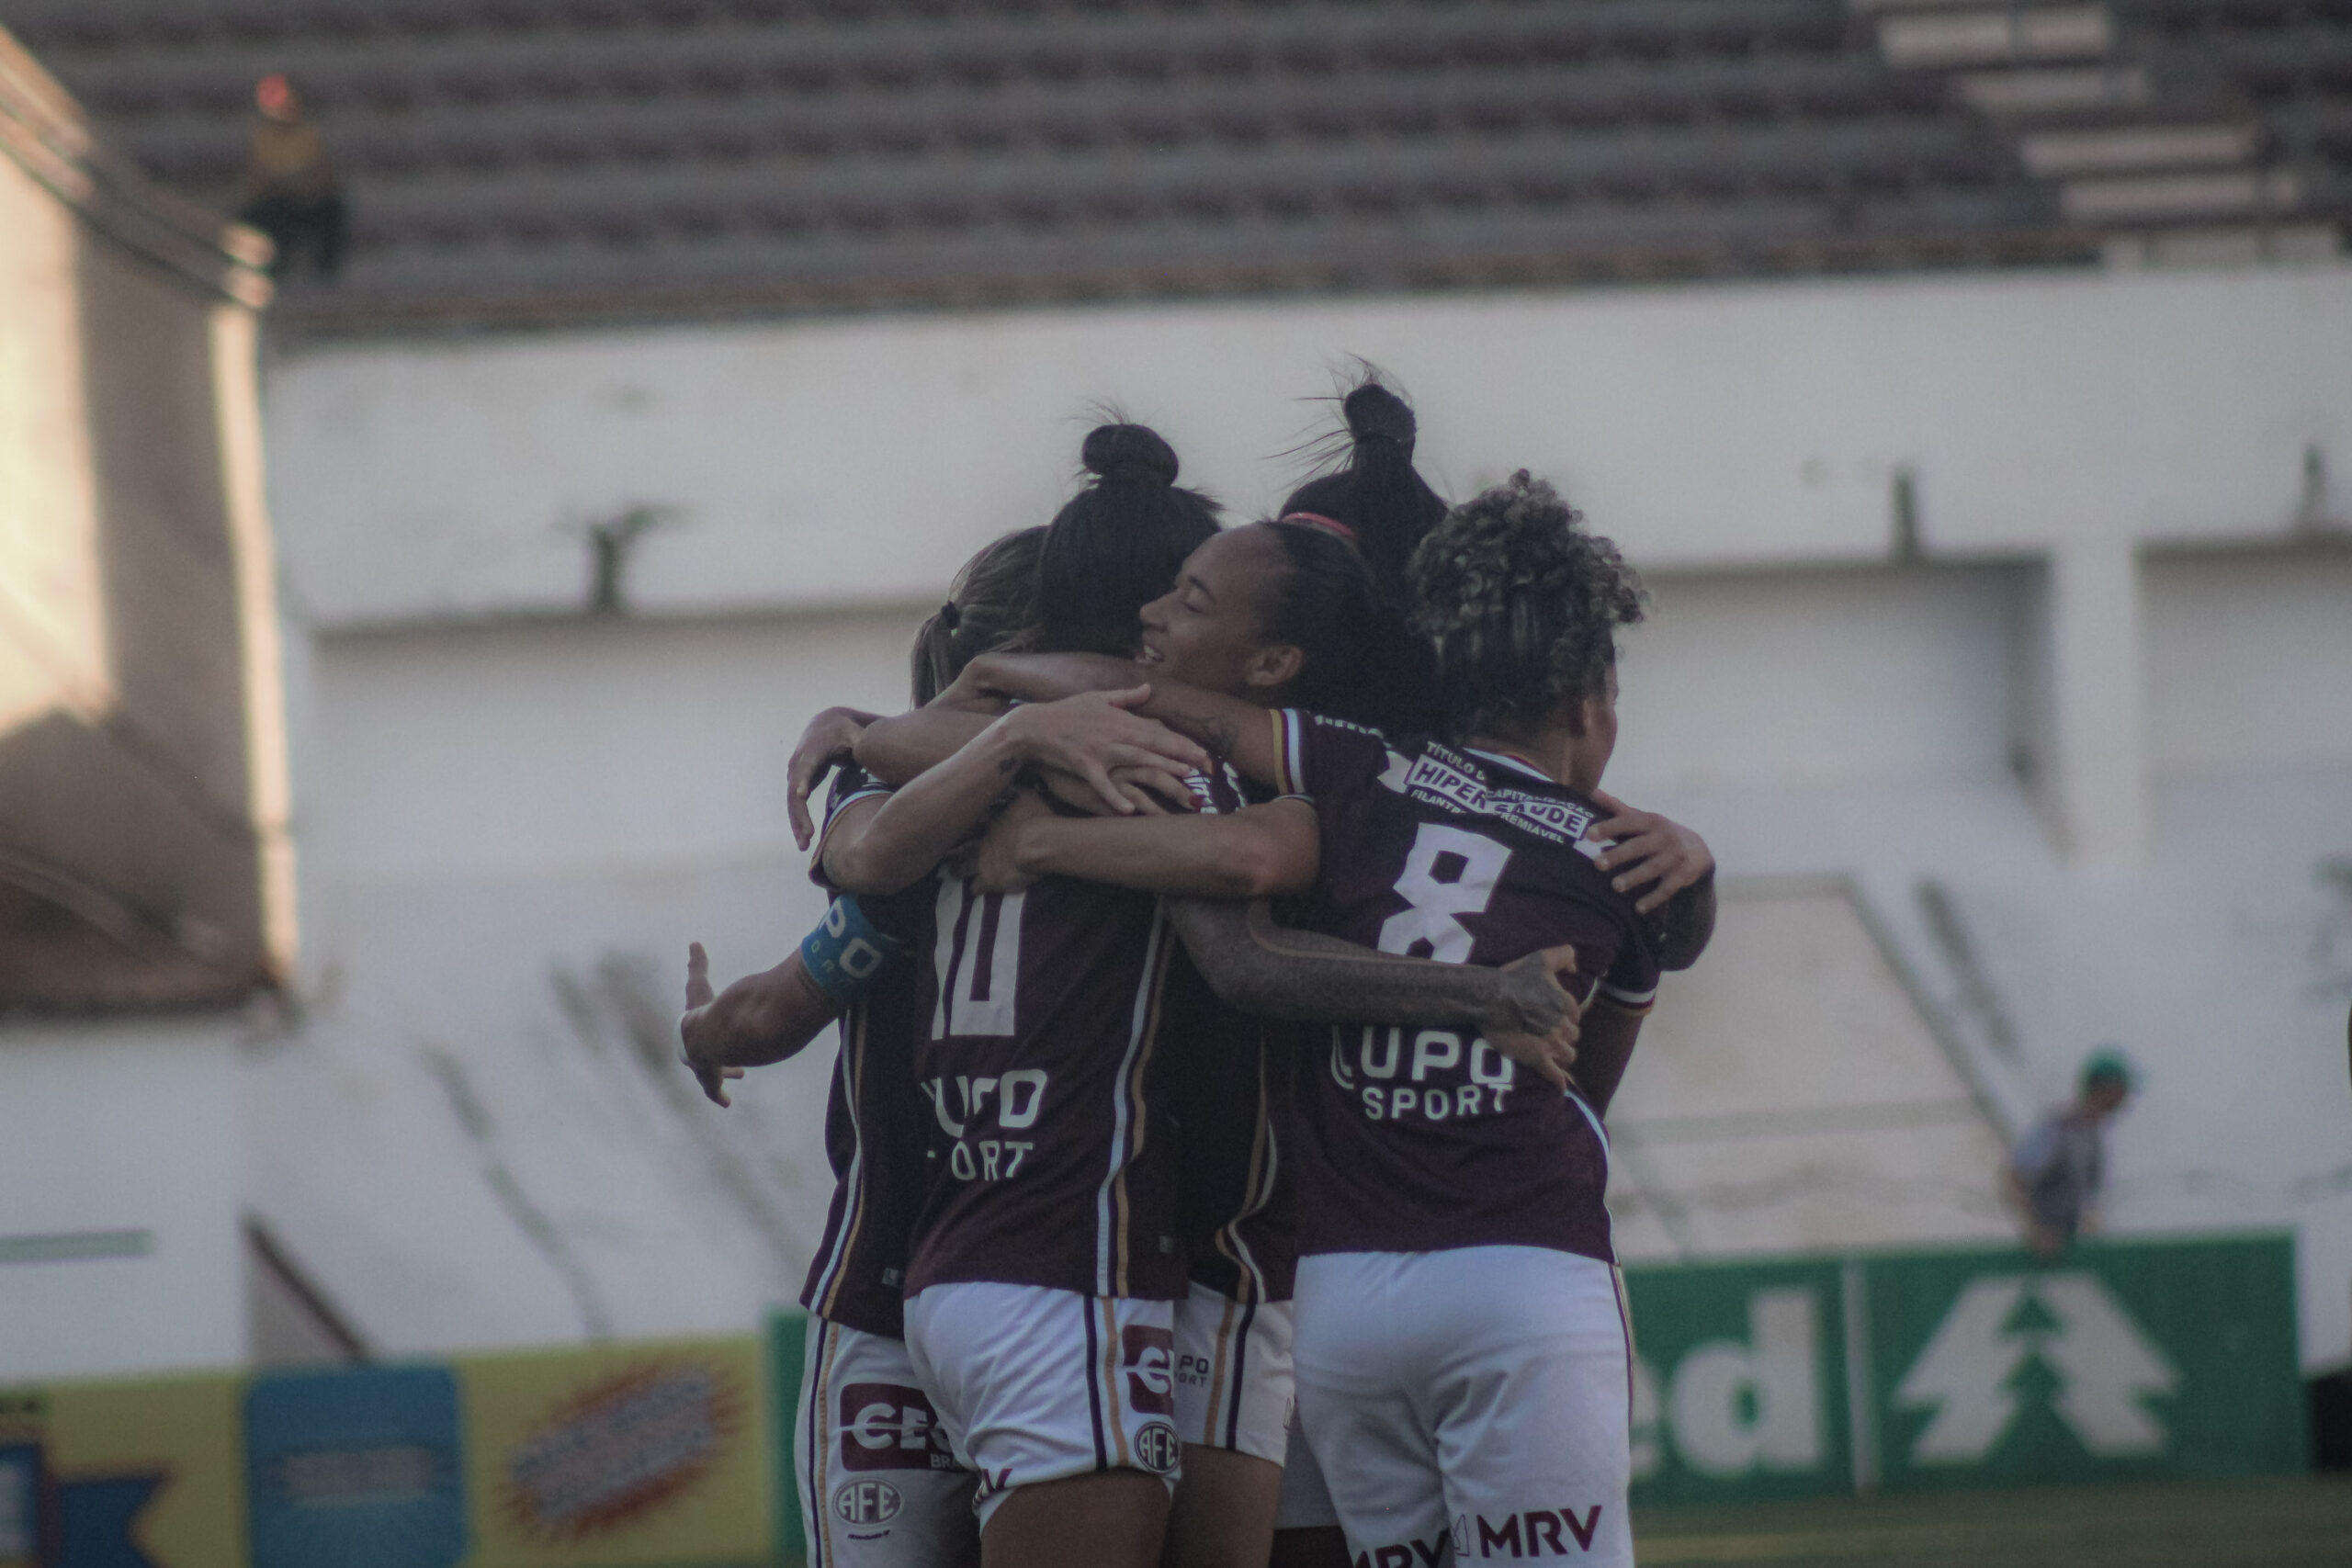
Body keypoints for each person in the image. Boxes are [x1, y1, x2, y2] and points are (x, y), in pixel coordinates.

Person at [967, 471, 1710, 1568]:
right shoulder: (1626, 858)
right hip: (1519, 1269)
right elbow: (1583, 1088)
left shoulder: (1362, 765)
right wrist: (1689, 875)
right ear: (1588, 705)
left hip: (1348, 1300)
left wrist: (995, 677)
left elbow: (1152, 700)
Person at [2007, 1049, 2134, 1258]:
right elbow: (2014, 1177)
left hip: (2069, 1242)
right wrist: (2036, 1230)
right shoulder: (2060, 1129)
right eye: (2121, 1090)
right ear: (2105, 1089)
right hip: (2045, 1245)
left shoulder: (2092, 1135)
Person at [238, 74, 345, 280]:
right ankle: (276, 269)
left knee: (333, 208)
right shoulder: (261, 137)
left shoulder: (308, 133)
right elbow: (258, 180)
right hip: (276, 202)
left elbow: (325, 174)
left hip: (305, 199)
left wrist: (305, 187)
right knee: (272, 213)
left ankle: (327, 271)